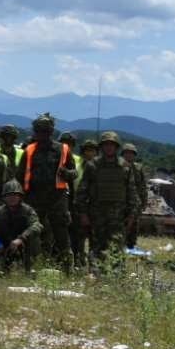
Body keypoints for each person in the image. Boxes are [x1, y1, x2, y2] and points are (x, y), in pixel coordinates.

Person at [17, 114, 74, 267]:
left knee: (62, 236)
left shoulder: (63, 149)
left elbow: (74, 172)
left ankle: (67, 269)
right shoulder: (29, 150)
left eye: (46, 131)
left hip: (57, 199)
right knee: (33, 233)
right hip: (34, 199)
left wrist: (67, 174)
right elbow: (19, 176)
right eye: (39, 131)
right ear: (35, 131)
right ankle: (31, 267)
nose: (42, 134)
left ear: (51, 131)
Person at [77, 131, 139, 269]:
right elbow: (82, 191)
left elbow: (131, 192)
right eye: (106, 144)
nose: (109, 147)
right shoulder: (92, 166)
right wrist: (83, 214)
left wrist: (132, 214)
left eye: (112, 145)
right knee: (96, 246)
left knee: (117, 245)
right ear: (101, 147)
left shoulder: (125, 166)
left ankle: (116, 274)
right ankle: (95, 273)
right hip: (97, 214)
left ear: (117, 147)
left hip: (118, 216)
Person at [0, 180, 41, 273]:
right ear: (4, 197)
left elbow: (37, 226)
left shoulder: (28, 211)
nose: (12, 198)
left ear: (20, 196)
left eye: (15, 195)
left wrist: (21, 239)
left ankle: (31, 267)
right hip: (6, 245)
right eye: (9, 195)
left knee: (34, 237)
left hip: (24, 245)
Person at [121, 141, 146, 248]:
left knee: (134, 225)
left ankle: (131, 245)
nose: (129, 155)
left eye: (131, 153)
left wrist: (143, 202)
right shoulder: (118, 166)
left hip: (135, 202)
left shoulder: (138, 168)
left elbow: (143, 186)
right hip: (121, 201)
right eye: (126, 153)